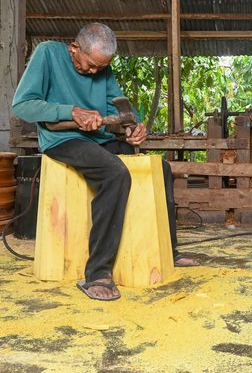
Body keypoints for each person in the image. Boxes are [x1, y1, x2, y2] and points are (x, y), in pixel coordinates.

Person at [12, 23, 198, 301]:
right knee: (115, 173)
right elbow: (22, 105)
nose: (94, 72)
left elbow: (118, 104)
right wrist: (71, 111)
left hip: (98, 140)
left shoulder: (102, 69)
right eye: (89, 65)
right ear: (75, 48)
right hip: (62, 141)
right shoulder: (48, 54)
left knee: (161, 168)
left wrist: (133, 126)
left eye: (100, 68)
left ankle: (170, 250)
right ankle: (98, 272)